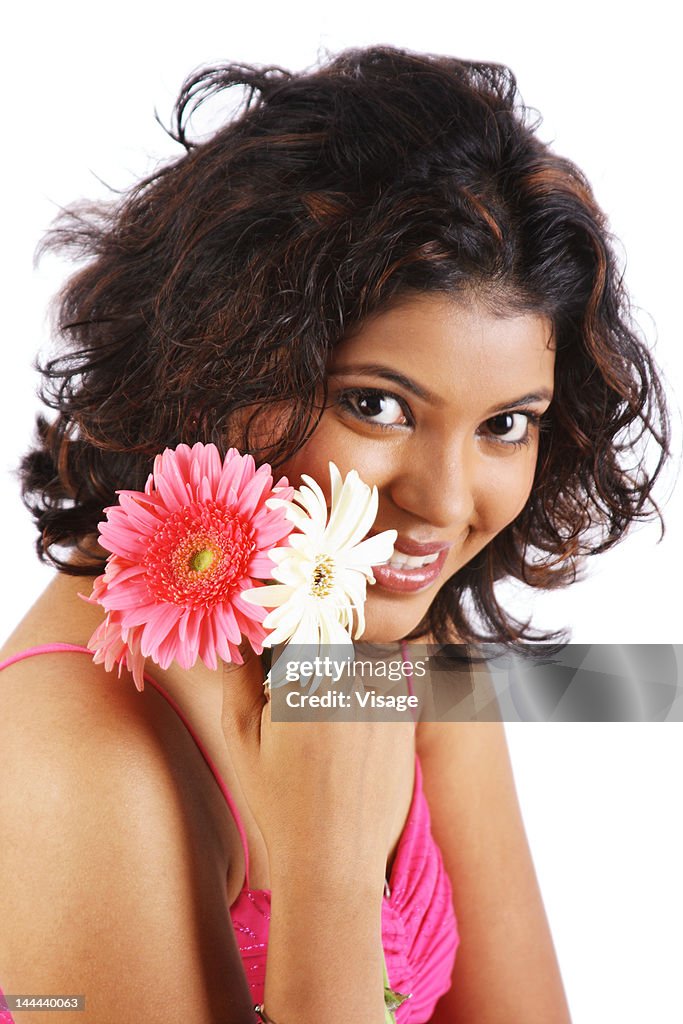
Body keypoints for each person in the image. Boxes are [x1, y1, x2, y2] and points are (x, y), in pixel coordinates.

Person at [0, 45, 669, 1023]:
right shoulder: (73, 768)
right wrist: (328, 877)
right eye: (376, 405)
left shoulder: (404, 640)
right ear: (223, 365)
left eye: (504, 423)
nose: (441, 504)